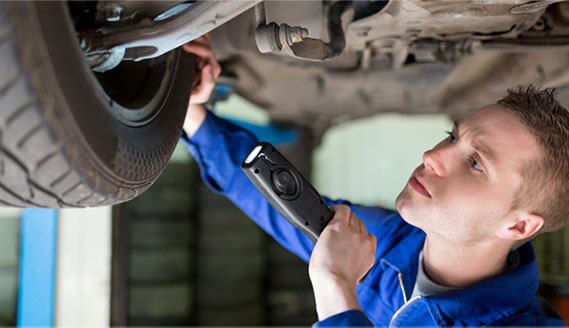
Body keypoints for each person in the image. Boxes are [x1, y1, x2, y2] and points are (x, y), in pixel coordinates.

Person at [182, 35, 569, 326]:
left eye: (475, 163)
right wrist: (192, 111)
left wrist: (336, 287)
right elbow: (277, 208)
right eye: (453, 137)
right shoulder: (389, 241)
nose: (432, 156)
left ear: (519, 225)